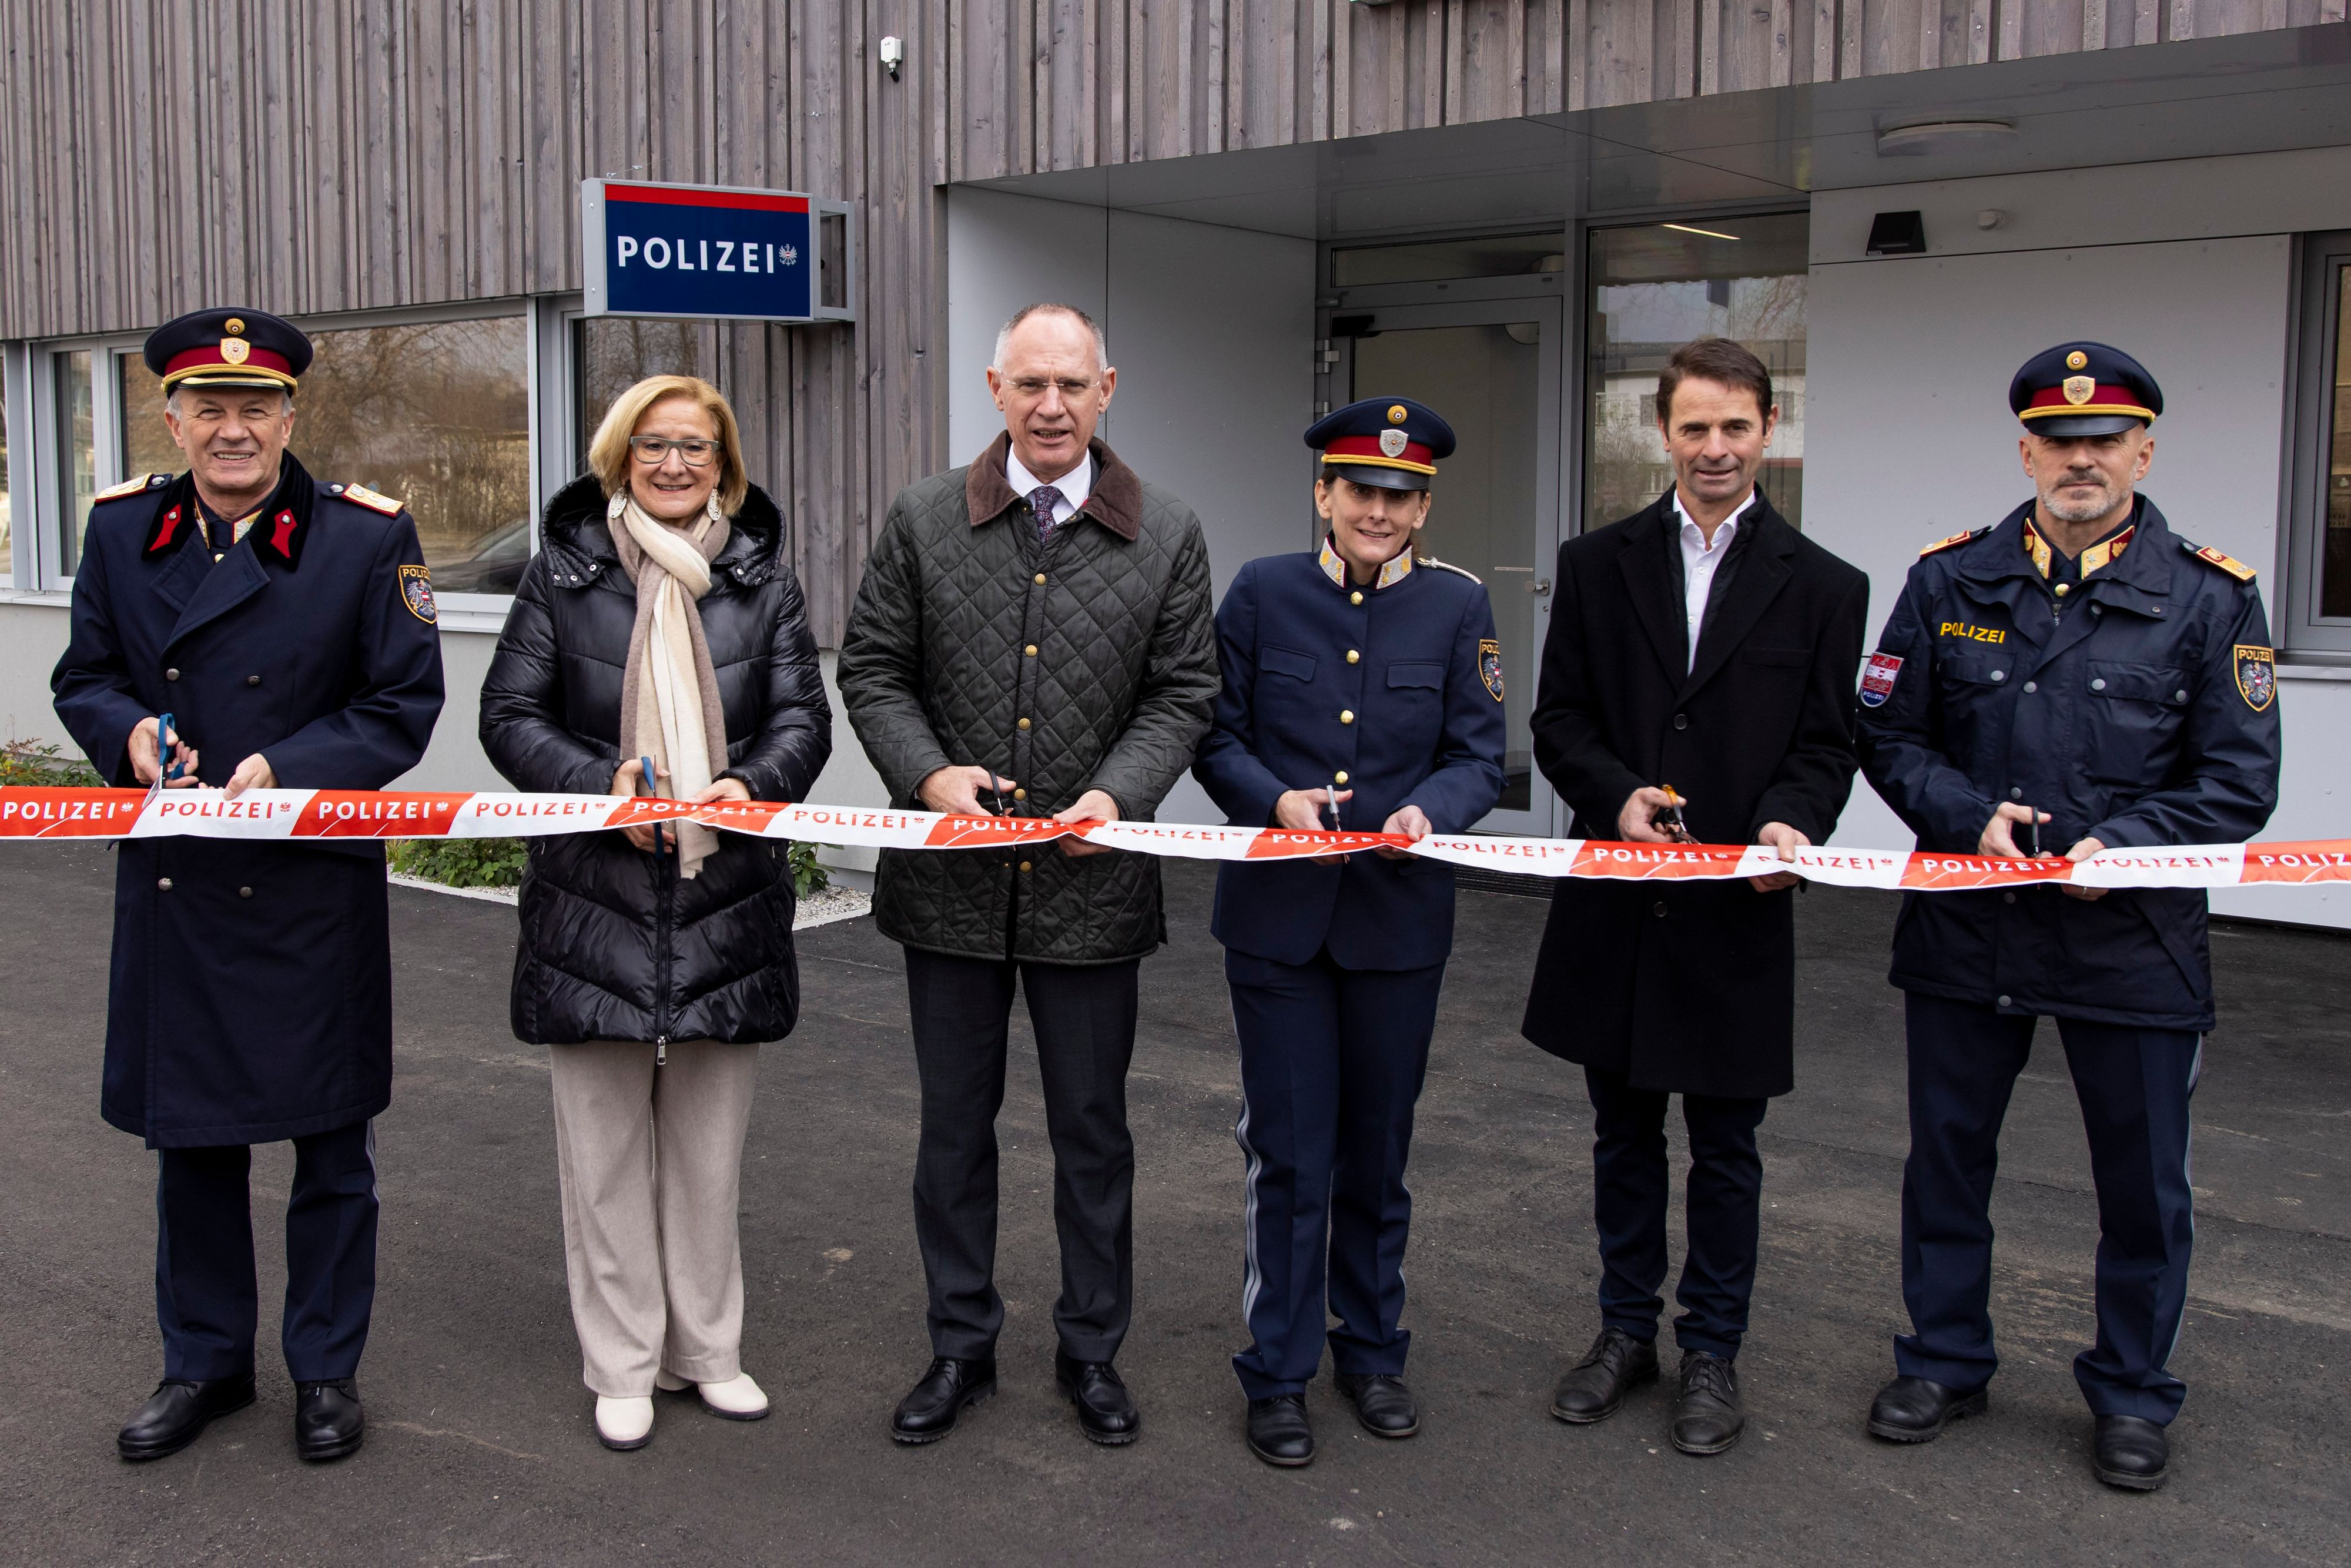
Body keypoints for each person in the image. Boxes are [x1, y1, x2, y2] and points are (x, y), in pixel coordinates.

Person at [1856, 343, 2280, 1492]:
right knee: (1945, 1158)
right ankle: (1942, 1358)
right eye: (2057, 440)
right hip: (1969, 913)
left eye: (2104, 441)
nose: (2080, 459)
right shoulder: (1948, 579)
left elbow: (2238, 781)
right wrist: (1963, 816)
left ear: (2142, 450)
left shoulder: (2208, 592)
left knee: (2142, 1182)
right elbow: (1888, 733)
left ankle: (2132, 1391)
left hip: (2128, 932)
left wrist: (2127, 845)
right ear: (2024, 451)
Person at [51, 307, 447, 1463]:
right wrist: (126, 734)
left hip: (307, 884)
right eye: (209, 409)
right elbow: (84, 674)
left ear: (290, 417)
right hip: (180, 878)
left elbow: (399, 704)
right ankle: (204, 1361)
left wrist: (297, 766)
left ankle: (325, 1368)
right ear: (172, 419)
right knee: (197, 1145)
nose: (234, 429)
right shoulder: (123, 532)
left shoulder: (365, 538)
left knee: (331, 1148)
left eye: (255, 408)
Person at [838, 302, 1218, 1448]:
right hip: (950, 885)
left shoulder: (1167, 530)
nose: (1049, 405)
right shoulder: (920, 517)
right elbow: (873, 666)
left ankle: (1090, 1347)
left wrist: (1118, 793)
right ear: (995, 389)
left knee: (1091, 1132)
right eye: (1028, 385)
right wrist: (924, 773)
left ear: (1107, 389)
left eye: (1071, 385)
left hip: (1091, 886)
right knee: (953, 1130)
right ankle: (959, 1343)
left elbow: (1182, 690)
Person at [1521, 337, 1870, 1457]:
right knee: (1622, 1137)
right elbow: (1560, 720)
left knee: (1726, 1149)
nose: (1714, 448)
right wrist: (1615, 795)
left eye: (1735, 427)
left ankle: (1712, 1350)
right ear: (1658, 433)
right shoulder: (1593, 563)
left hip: (1736, 913)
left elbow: (1827, 745)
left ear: (1770, 429)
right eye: (1693, 428)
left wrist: (1794, 824)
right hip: (1617, 907)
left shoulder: (1825, 587)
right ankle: (1625, 1335)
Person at [478, 374, 832, 1452]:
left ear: (725, 463)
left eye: (696, 447)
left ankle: (709, 1354)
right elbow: (509, 714)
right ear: (618, 459)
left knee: (707, 1156)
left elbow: (802, 719)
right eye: (653, 446)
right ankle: (624, 1362)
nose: (675, 465)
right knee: (604, 1159)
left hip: (725, 898)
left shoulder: (762, 580)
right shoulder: (563, 575)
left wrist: (752, 785)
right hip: (596, 899)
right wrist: (604, 784)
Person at [1193, 397, 1506, 1467]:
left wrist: (1436, 812)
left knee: (1377, 1154)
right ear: (1324, 495)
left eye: (1401, 496)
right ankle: (1276, 1373)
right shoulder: (1263, 591)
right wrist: (1274, 801)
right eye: (1362, 491)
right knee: (1289, 1154)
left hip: (1396, 920)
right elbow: (1215, 734)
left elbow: (1479, 751)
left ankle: (1371, 1353)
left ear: (1423, 508)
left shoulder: (1460, 609)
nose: (1380, 510)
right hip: (1279, 926)